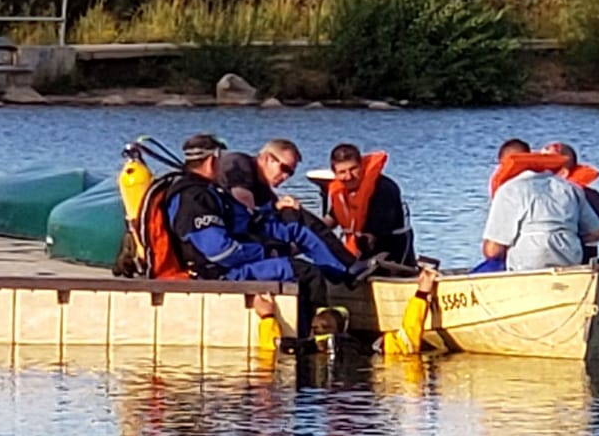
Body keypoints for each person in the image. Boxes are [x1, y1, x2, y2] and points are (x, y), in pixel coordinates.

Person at [163, 133, 360, 337]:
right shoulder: (193, 198)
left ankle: (347, 272)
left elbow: (243, 222)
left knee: (295, 222)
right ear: (213, 160)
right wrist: (268, 251)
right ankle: (308, 334)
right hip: (219, 271)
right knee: (305, 273)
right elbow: (220, 252)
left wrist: (276, 222)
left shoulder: (210, 191)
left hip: (237, 255)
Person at [218, 138, 360, 270]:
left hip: (240, 234)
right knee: (296, 220)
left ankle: (343, 266)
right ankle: (345, 267)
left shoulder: (263, 189)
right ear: (267, 159)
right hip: (226, 239)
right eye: (284, 169)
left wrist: (280, 208)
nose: (286, 176)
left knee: (296, 216)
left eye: (290, 173)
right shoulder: (239, 164)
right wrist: (276, 209)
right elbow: (244, 209)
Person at [480, 140, 599, 272]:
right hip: (569, 259)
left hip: (527, 264)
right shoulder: (571, 188)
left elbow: (493, 251)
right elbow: (596, 233)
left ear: (503, 165)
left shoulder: (509, 190)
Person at [322, 143, 416, 268]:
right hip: (359, 252)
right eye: (342, 172)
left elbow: (374, 236)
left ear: (361, 165)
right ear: (335, 173)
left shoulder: (384, 189)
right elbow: (332, 219)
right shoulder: (341, 192)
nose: (348, 176)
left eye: (353, 169)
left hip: (391, 253)